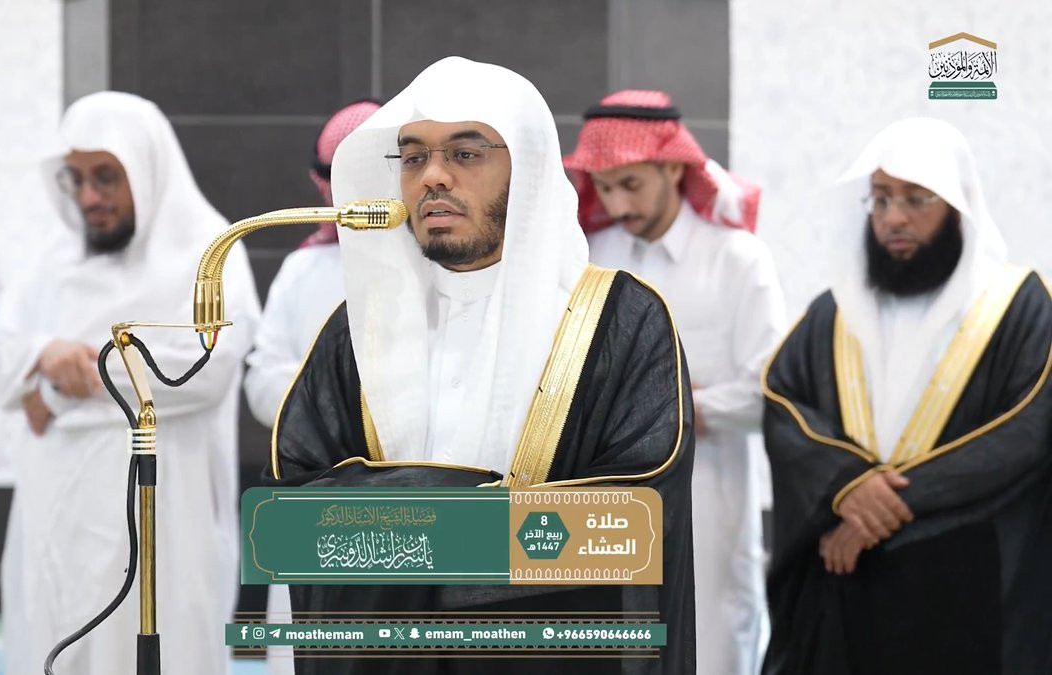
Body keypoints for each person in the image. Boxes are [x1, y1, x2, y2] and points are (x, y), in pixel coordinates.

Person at [267, 57, 696, 675]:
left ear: (527, 169)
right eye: (413, 157)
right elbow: (293, 515)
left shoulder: (620, 321)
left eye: (465, 154)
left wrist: (406, 528)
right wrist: (472, 526)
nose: (432, 177)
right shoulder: (357, 328)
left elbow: (627, 523)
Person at [761, 117, 1052, 675]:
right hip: (848, 580)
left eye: (917, 199)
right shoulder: (834, 312)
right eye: (880, 199)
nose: (894, 217)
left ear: (959, 208)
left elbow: (1026, 433)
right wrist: (846, 484)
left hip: (964, 581)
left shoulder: (1018, 305)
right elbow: (784, 404)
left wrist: (880, 510)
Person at [0, 91, 260, 675]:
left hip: (163, 516)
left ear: (146, 168)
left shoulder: (207, 253)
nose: (89, 197)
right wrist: (44, 352)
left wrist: (56, 390)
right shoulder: (53, 259)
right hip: (55, 518)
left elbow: (200, 370)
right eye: (77, 179)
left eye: (106, 177)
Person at [564, 89, 785, 675]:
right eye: (603, 187)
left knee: (712, 640)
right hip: (604, 499)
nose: (617, 202)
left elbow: (768, 390)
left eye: (630, 184)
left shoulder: (737, 259)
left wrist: (663, 413)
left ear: (671, 166)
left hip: (709, 498)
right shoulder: (590, 259)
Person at [244, 98, 381, 427]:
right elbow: (262, 382)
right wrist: (332, 401)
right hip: (320, 453)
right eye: (342, 177)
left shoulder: (441, 260)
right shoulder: (303, 268)